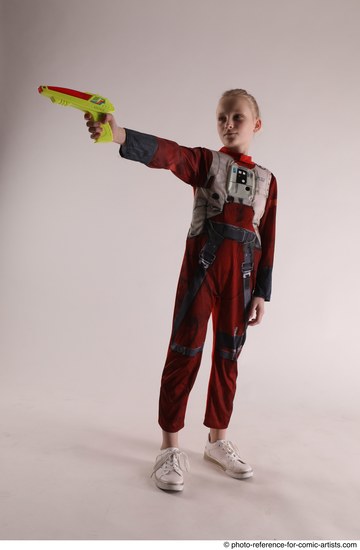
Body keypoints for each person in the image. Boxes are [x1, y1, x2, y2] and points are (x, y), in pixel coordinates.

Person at [84, 88, 277, 492]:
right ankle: (169, 446)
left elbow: (268, 237)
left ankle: (217, 440)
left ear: (256, 124)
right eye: (222, 117)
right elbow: (170, 154)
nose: (228, 124)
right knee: (184, 352)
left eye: (237, 117)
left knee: (228, 358)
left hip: (241, 282)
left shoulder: (268, 182)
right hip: (201, 274)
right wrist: (119, 135)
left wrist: (262, 292)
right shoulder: (206, 162)